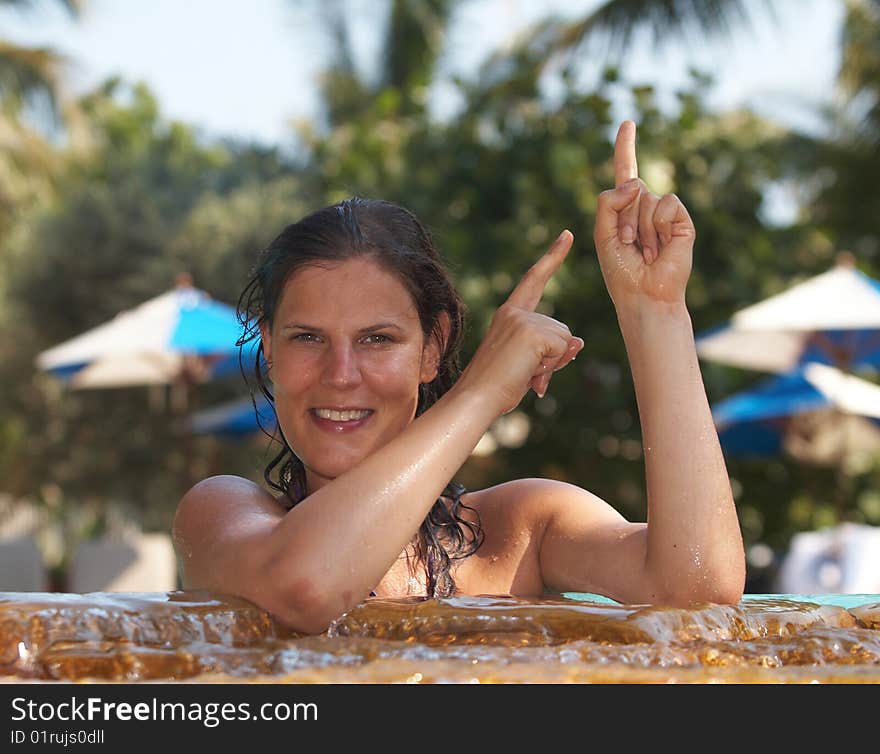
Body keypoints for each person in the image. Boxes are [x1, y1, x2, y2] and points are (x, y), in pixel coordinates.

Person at [172, 121, 746, 634]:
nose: (341, 375)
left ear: (432, 350)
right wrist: (481, 393)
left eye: (378, 339)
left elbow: (697, 594)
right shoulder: (223, 515)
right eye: (308, 338)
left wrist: (656, 311)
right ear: (268, 348)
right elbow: (305, 588)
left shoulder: (520, 533)